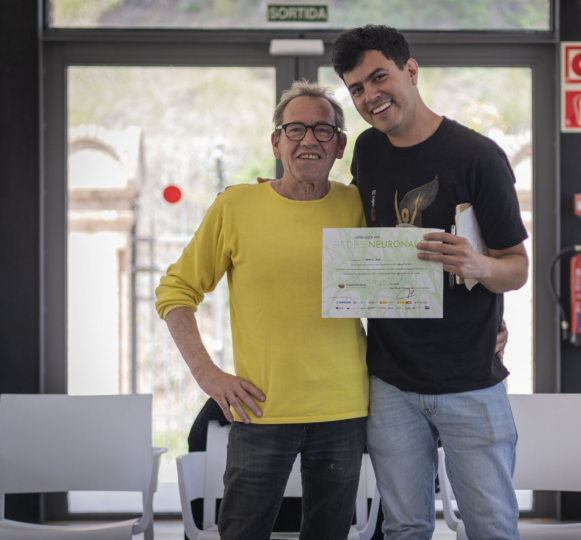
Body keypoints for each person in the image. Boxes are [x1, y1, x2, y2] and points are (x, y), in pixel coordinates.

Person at [332, 25, 529, 539]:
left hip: (471, 379)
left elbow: (517, 267)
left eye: (379, 78)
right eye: (356, 89)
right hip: (390, 380)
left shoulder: (479, 157)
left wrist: (479, 266)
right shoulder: (368, 153)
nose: (370, 96)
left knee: (491, 527)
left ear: (411, 71)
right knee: (404, 527)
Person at [154, 81, 369, 539]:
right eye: (295, 129)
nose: (308, 140)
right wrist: (208, 376)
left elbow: (409, 281)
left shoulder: (359, 206)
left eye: (322, 130)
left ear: (340, 145)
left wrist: (486, 321)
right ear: (276, 141)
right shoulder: (237, 206)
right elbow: (175, 292)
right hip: (260, 411)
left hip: (346, 410)